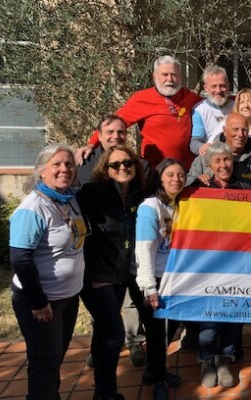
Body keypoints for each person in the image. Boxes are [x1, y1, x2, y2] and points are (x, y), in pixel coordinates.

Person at [9, 144, 87, 399]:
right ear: (42, 171)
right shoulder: (33, 208)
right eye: (57, 164)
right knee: (44, 364)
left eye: (68, 164)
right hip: (42, 302)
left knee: (54, 359)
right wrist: (39, 302)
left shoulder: (68, 199)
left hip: (67, 297)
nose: (64, 169)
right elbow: (21, 259)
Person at [77, 114, 147, 369]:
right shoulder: (85, 164)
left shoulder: (140, 171)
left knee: (132, 306)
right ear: (99, 135)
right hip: (103, 264)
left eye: (121, 132)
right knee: (106, 318)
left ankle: (135, 342)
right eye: (110, 132)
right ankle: (101, 355)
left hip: (131, 258)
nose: (116, 136)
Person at [78, 55, 202, 169]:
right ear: (155, 76)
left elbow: (213, 110)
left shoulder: (190, 98)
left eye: (173, 74)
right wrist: (90, 145)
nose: (169, 79)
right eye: (165, 75)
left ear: (180, 76)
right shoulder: (142, 99)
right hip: (154, 172)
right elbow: (112, 123)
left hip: (185, 172)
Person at [195, 142, 251, 388]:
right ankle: (206, 359)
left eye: (227, 160)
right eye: (217, 161)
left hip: (237, 263)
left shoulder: (244, 187)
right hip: (208, 264)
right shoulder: (198, 189)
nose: (223, 165)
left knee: (232, 314)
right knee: (209, 317)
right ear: (209, 166)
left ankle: (224, 359)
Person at [134, 158, 186, 399]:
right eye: (171, 175)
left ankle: (154, 370)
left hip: (175, 278)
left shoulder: (180, 205)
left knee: (168, 331)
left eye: (181, 175)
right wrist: (149, 288)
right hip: (154, 279)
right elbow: (143, 249)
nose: (176, 179)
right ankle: (158, 381)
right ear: (160, 178)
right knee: (156, 334)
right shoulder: (150, 207)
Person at [186, 113, 251, 188]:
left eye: (244, 130)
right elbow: (186, 184)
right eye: (235, 129)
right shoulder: (205, 157)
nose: (240, 134)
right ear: (225, 131)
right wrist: (197, 180)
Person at [190, 65, 234, 156]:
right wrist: (201, 147)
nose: (218, 90)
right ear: (206, 88)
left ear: (229, 86)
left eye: (222, 86)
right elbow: (195, 142)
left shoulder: (237, 107)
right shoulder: (199, 110)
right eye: (214, 86)